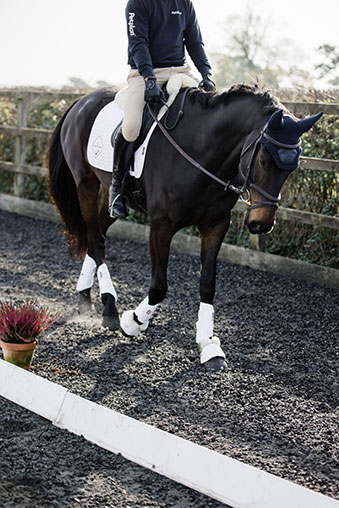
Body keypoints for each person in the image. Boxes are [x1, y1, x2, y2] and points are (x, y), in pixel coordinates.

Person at [109, 0, 216, 219]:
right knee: (130, 127)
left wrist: (206, 75)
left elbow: (195, 42)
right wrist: (149, 78)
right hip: (144, 73)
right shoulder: (137, 4)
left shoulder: (184, 3)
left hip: (181, 71)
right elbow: (138, 43)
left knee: (208, 115)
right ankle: (116, 188)